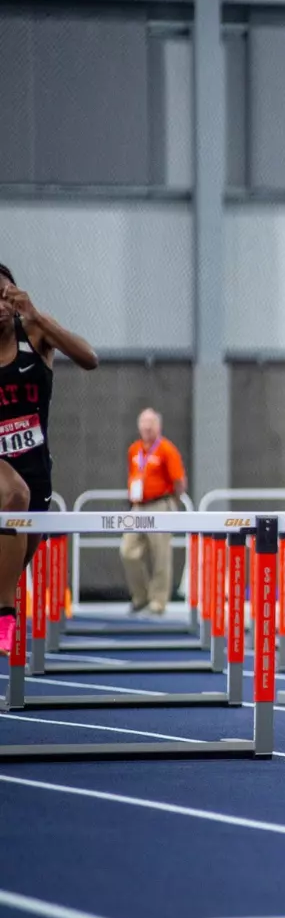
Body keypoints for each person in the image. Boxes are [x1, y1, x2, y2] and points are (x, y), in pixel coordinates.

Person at [0, 265, 98, 651]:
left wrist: (36, 315)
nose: (1, 306)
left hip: (35, 468)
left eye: (6, 297)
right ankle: (6, 615)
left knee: (9, 569)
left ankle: (2, 606)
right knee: (14, 493)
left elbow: (89, 358)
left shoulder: (35, 331)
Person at [120, 409, 188, 616]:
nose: (147, 427)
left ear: (158, 426)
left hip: (160, 505)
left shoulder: (167, 449)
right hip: (138, 506)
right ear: (139, 426)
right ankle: (141, 596)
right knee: (128, 551)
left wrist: (171, 503)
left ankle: (158, 601)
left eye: (151, 423)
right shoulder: (134, 450)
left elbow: (179, 481)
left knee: (160, 555)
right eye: (144, 422)